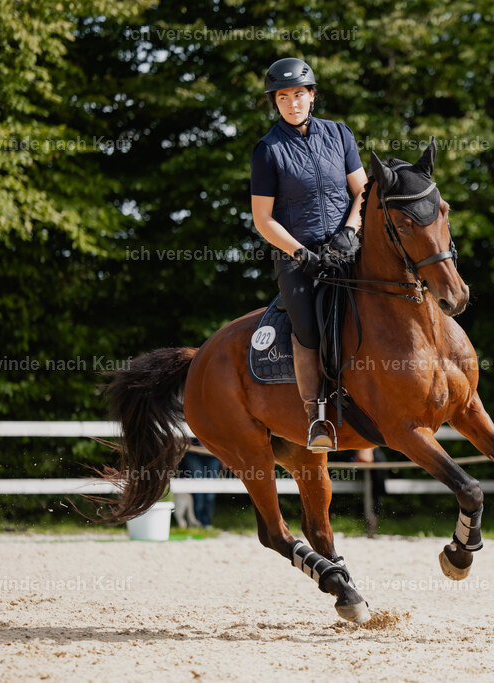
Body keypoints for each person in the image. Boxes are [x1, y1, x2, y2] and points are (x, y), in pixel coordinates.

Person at [250, 57, 368, 452]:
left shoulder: (339, 135)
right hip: (296, 257)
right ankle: (316, 416)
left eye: (299, 94)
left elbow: (363, 192)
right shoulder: (267, 150)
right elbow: (263, 219)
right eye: (283, 97)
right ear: (276, 103)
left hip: (346, 248)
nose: (292, 103)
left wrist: (351, 231)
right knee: (307, 328)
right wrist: (300, 253)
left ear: (312, 96)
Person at [177, 437, 222, 527]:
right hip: (193, 452)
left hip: (214, 454)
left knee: (210, 492)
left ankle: (206, 522)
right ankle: (197, 522)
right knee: (197, 490)